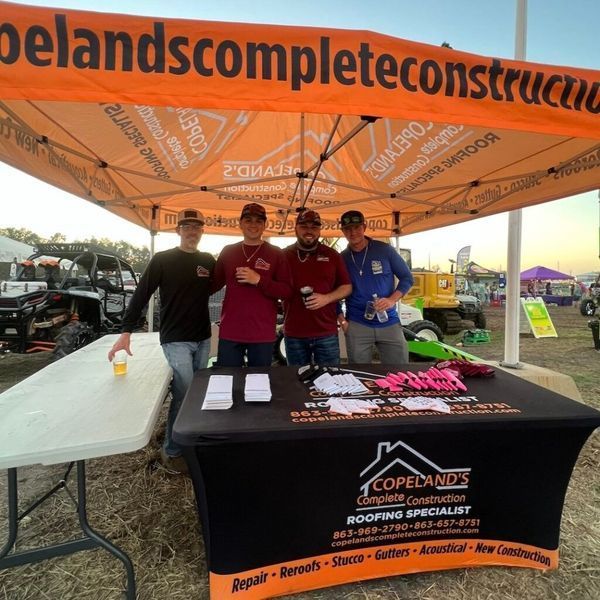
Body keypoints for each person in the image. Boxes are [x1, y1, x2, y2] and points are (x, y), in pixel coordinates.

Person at [108, 208, 215, 474]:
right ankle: (173, 451)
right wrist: (126, 332)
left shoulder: (208, 260)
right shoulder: (163, 260)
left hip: (202, 337)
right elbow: (142, 294)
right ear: (178, 230)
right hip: (176, 338)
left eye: (197, 227)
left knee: (195, 393)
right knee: (184, 392)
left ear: (202, 231)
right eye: (187, 226)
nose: (192, 231)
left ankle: (190, 441)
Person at [212, 202, 292, 366]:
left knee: (259, 384)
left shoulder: (276, 253)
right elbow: (212, 284)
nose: (253, 225)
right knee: (228, 381)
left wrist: (259, 280)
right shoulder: (228, 251)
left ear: (265, 225)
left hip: (262, 333)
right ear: (240, 223)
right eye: (248, 220)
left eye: (258, 221)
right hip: (231, 331)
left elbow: (286, 291)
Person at [338, 210, 413, 364]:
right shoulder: (341, 258)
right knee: (360, 376)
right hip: (357, 323)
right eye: (348, 229)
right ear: (343, 231)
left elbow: (407, 278)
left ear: (364, 227)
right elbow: (332, 293)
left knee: (399, 372)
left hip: (389, 321)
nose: (353, 232)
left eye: (357, 227)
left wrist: (392, 300)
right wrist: (343, 322)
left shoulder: (384, 250)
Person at [282, 209, 352, 366]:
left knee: (330, 382)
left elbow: (347, 287)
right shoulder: (283, 255)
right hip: (294, 333)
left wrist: (326, 298)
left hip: (326, 333)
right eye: (304, 226)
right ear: (296, 228)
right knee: (297, 381)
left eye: (314, 227)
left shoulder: (333, 255)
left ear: (320, 230)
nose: (309, 231)